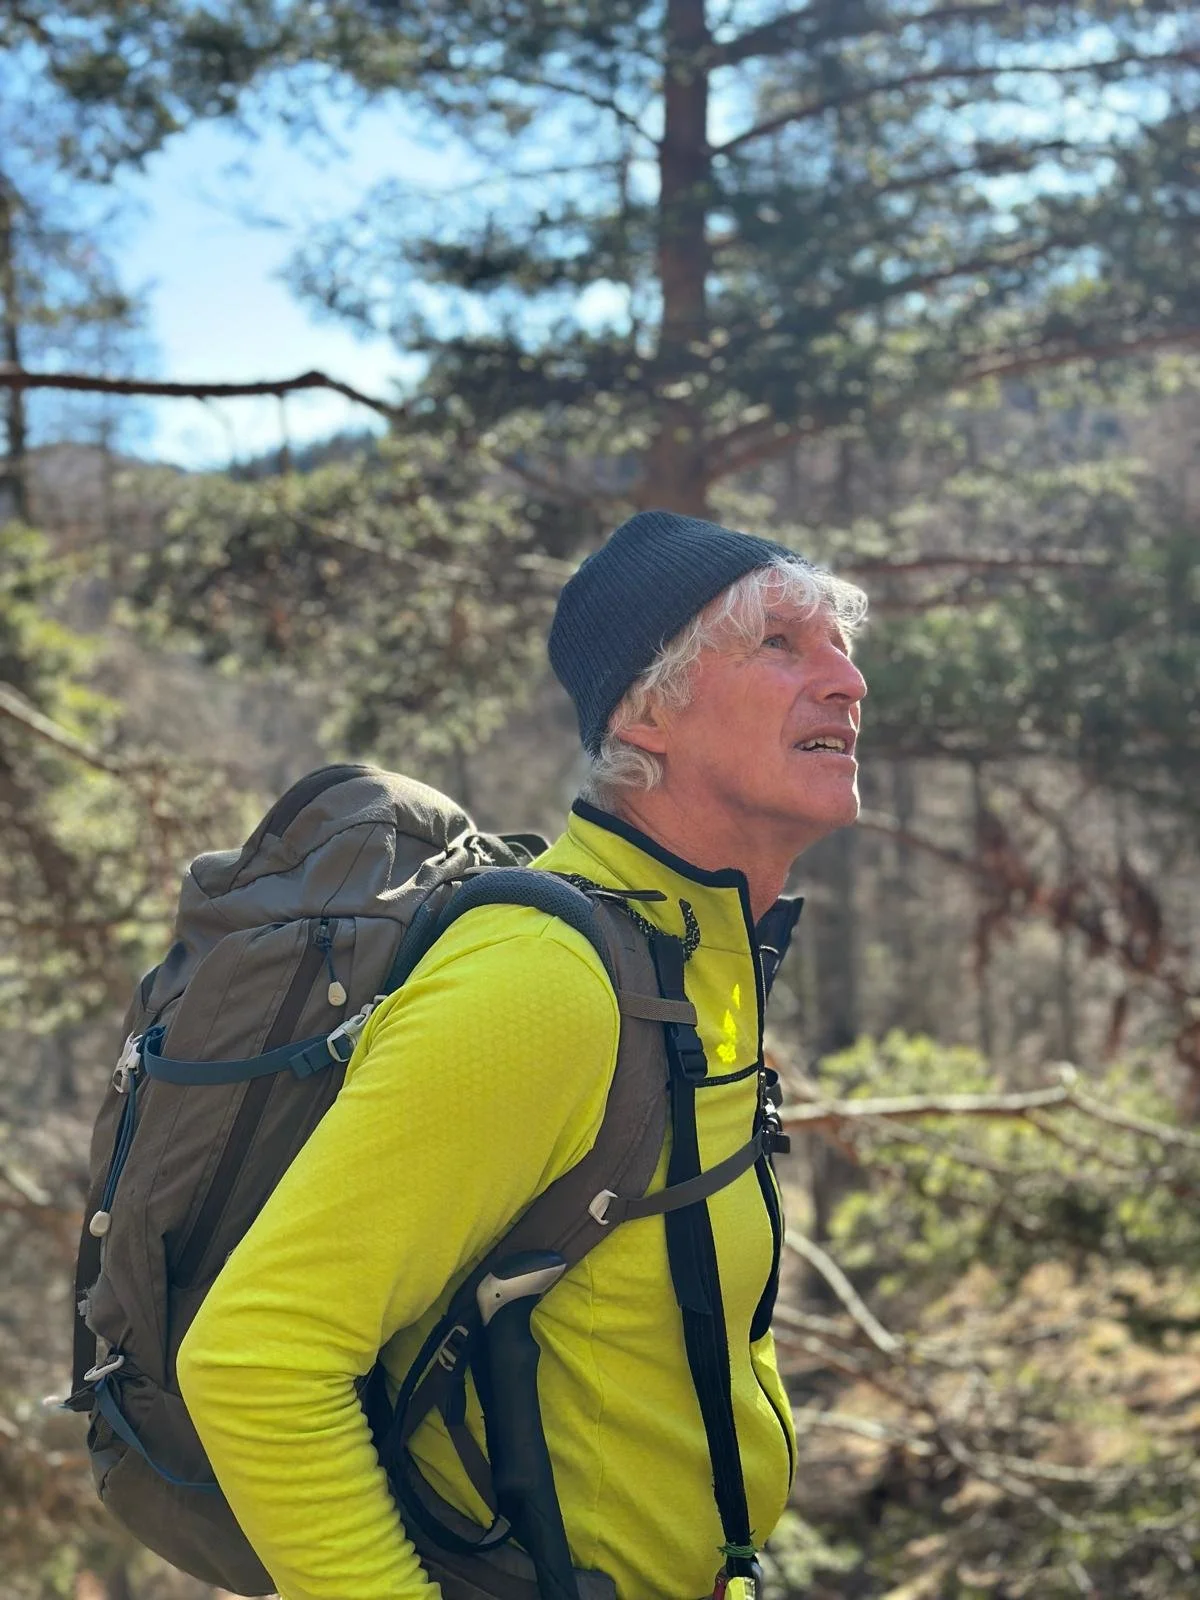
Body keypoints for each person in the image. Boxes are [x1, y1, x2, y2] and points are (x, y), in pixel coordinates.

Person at [176, 509, 869, 1600]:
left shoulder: (691, 962)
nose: (846, 681)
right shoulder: (544, 982)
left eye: (841, 644)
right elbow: (257, 1358)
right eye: (782, 644)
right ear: (646, 713)